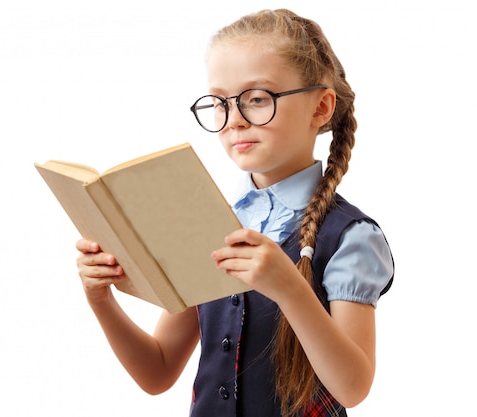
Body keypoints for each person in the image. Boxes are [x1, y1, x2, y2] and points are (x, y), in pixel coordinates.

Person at [75, 8, 394, 417]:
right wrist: (100, 299)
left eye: (258, 99)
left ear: (321, 108)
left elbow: (352, 388)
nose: (234, 121)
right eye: (220, 103)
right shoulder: (207, 220)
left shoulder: (350, 236)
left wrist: (289, 287)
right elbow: (157, 371)